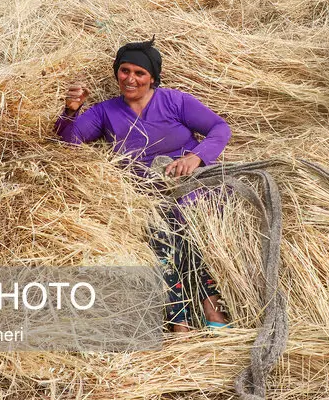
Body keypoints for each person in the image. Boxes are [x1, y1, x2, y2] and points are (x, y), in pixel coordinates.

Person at [54, 40, 232, 332]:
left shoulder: (175, 101)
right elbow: (69, 142)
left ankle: (208, 308)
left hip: (190, 187)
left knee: (184, 222)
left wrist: (196, 157)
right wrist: (71, 110)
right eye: (124, 71)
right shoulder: (105, 112)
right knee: (158, 233)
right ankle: (182, 322)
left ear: (152, 77)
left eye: (139, 73)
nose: (130, 79)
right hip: (144, 195)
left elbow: (220, 128)